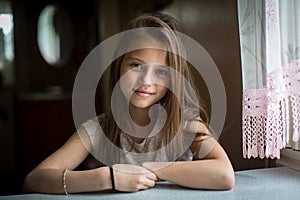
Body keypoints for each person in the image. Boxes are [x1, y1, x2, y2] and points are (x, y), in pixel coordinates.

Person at [23, 12, 235, 194]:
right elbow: (34, 180)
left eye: (161, 71)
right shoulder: (99, 129)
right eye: (136, 65)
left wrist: (152, 168)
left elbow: (224, 175)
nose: (146, 81)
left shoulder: (185, 124)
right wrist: (109, 178)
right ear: (119, 68)